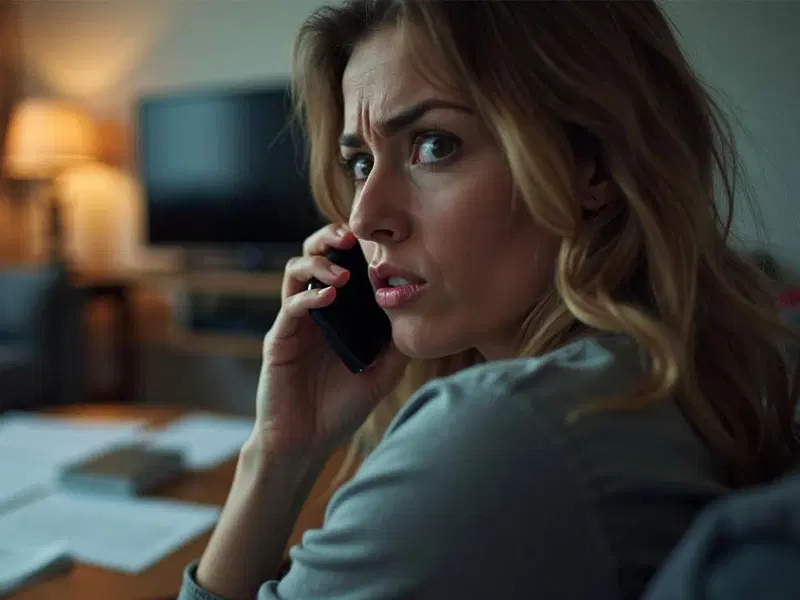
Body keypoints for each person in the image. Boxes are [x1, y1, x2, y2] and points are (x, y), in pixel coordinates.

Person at [179, 1, 799, 599]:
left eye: (433, 145)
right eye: (362, 162)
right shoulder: (676, 371)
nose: (365, 218)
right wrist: (284, 447)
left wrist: (267, 468)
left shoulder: (503, 431)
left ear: (595, 166)